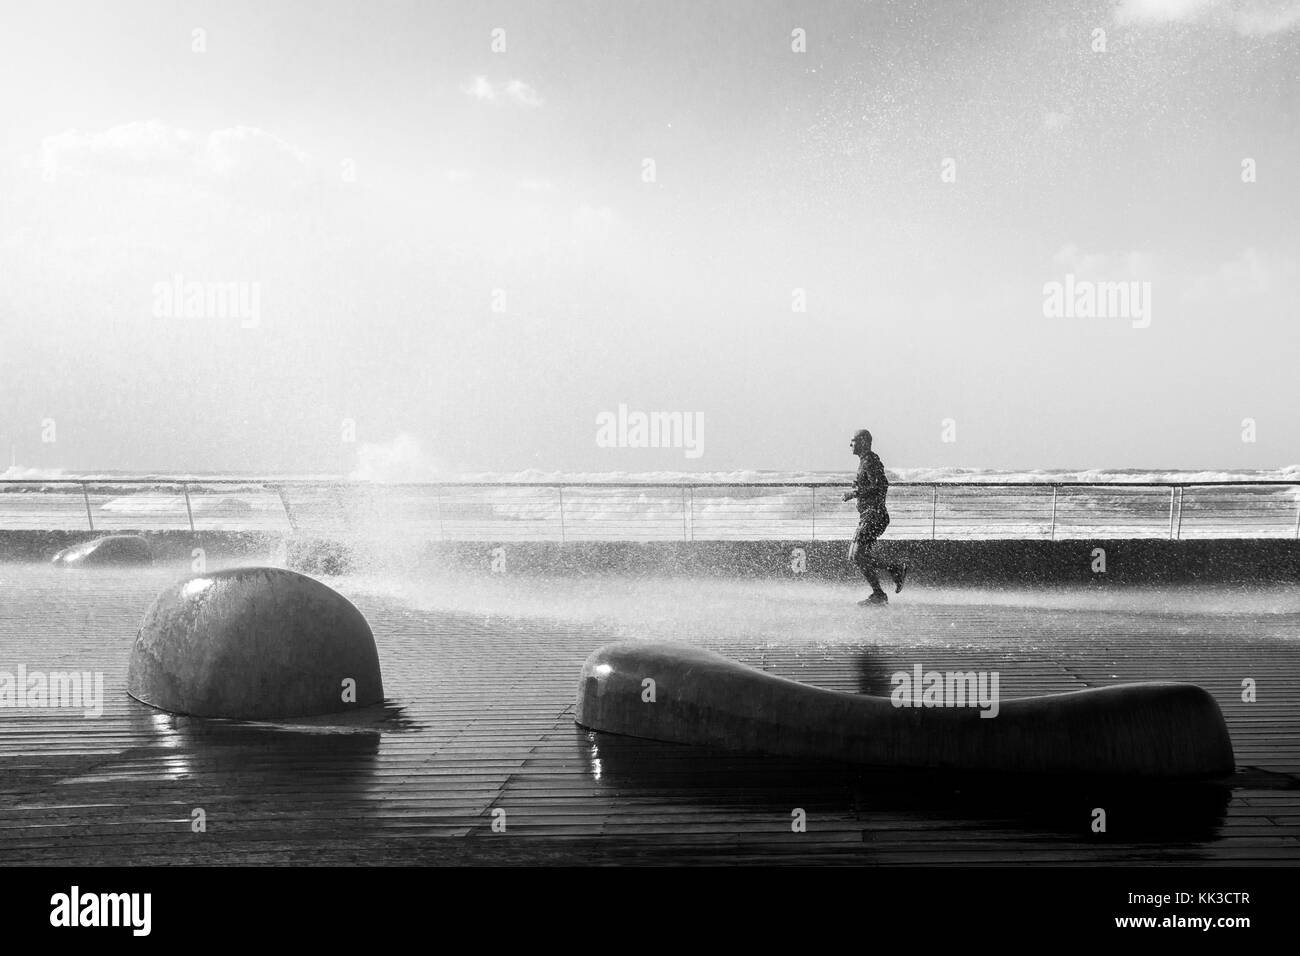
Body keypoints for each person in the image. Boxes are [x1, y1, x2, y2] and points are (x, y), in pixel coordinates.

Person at [843, 429, 907, 605]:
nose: (850, 444)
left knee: (857, 556)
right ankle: (892, 573)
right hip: (869, 515)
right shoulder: (865, 461)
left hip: (874, 515)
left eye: (853, 440)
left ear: (863, 442)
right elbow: (871, 484)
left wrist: (854, 492)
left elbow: (881, 486)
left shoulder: (870, 460)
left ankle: (881, 590)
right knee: (854, 556)